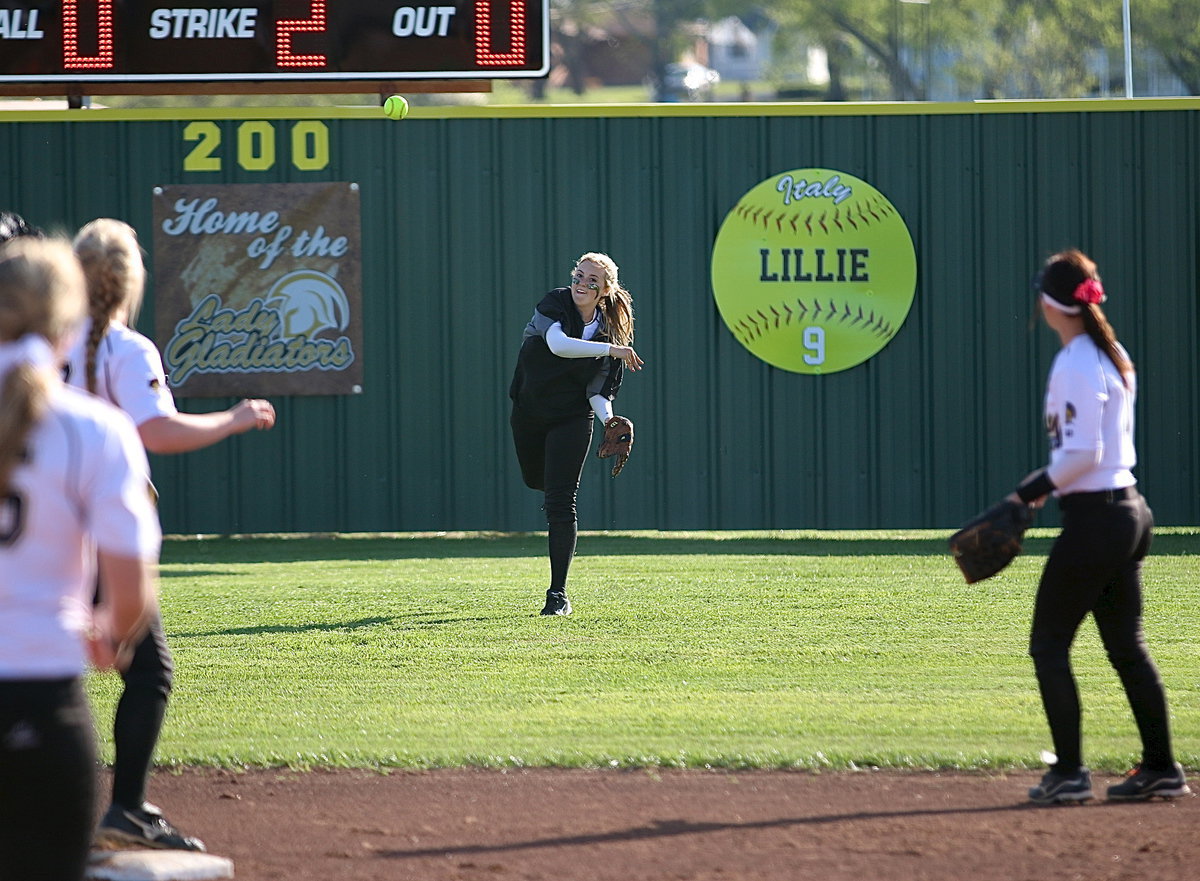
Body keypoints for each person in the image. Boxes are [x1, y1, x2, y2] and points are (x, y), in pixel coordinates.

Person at [66, 218, 276, 851]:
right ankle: (124, 808)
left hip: (41, 526)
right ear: (132, 281)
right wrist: (234, 419)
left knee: (39, 661)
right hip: (99, 527)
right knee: (148, 671)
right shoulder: (125, 348)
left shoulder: (41, 340)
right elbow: (156, 429)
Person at [0, 237, 160, 881]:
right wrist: (113, 639)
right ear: (68, 323)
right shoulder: (94, 429)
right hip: (44, 701)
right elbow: (130, 593)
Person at [1012, 249, 1189, 805]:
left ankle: (1067, 773)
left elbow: (1082, 454)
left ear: (1048, 304)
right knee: (1125, 647)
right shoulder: (1110, 354)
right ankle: (1160, 767)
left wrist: (1027, 493)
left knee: (1048, 645)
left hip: (1097, 519)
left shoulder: (1077, 362)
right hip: (1129, 512)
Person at [509, 252, 644, 616]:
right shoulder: (555, 303)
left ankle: (557, 595)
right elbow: (557, 345)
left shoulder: (608, 332)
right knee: (535, 480)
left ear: (605, 291)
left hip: (572, 417)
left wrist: (610, 422)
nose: (582, 284)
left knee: (561, 500)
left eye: (592, 281)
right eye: (579, 275)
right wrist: (612, 348)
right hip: (530, 412)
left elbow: (597, 392)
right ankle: (557, 591)